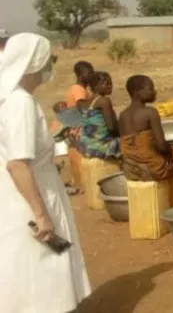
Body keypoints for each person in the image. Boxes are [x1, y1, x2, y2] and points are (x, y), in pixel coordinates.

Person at [0, 33, 91, 312]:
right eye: (47, 59)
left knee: (29, 274)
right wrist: (40, 215)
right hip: (31, 200)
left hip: (22, 196)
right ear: (34, 62)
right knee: (42, 273)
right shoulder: (19, 103)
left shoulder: (10, 97)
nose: (49, 66)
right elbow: (17, 163)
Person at [118, 75, 173, 189]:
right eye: (150, 89)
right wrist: (172, 150)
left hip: (131, 170)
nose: (154, 92)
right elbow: (161, 146)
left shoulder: (122, 115)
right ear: (137, 91)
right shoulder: (150, 112)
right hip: (154, 169)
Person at [75, 71, 120, 159]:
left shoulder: (81, 103)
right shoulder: (104, 101)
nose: (110, 86)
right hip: (100, 146)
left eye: (111, 83)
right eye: (106, 84)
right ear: (95, 86)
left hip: (86, 144)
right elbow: (111, 127)